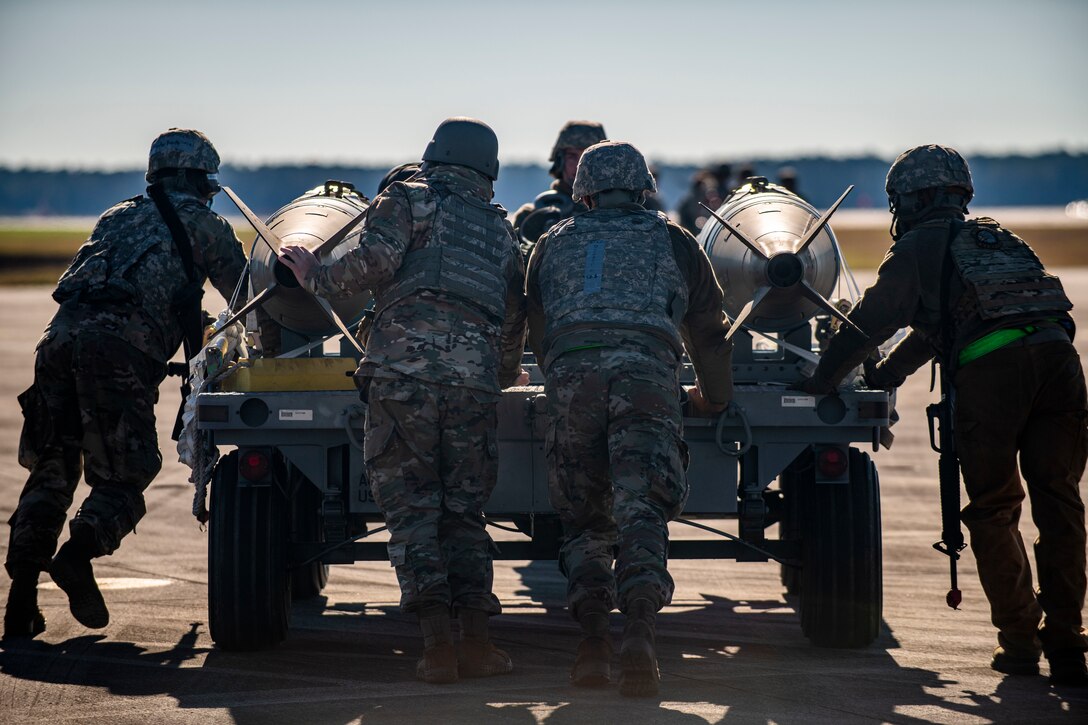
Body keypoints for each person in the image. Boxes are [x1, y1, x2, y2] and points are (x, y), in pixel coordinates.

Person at [794, 144, 1088, 686]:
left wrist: (821, 380)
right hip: (1061, 366)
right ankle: (1068, 642)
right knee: (1060, 502)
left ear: (915, 199)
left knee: (995, 508)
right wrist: (887, 376)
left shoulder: (919, 248)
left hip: (994, 378)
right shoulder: (1000, 240)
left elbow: (870, 323)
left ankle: (1021, 641)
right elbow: (939, 329)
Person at [280, 117, 527, 684]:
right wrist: (502, 372)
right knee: (465, 514)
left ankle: (437, 647)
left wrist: (315, 275)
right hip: (473, 386)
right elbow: (514, 315)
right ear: (487, 167)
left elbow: (373, 266)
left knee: (414, 513)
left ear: (435, 155)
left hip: (402, 380)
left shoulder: (408, 199)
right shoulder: (500, 230)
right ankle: (479, 645)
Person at [4, 128, 253, 638]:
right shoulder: (206, 227)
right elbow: (249, 302)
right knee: (128, 471)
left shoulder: (115, 216)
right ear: (199, 178)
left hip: (57, 344)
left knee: (52, 469)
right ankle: (78, 554)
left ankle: (19, 603)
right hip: (116, 353)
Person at [525, 141, 733, 696]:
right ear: (644, 187)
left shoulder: (551, 241)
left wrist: (562, 376)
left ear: (583, 190)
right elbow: (709, 330)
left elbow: (535, 327)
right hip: (648, 381)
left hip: (571, 384)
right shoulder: (674, 240)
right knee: (642, 511)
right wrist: (714, 397)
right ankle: (639, 633)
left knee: (584, 521)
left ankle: (592, 643)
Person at [511, 120, 607, 256]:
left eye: (588, 156)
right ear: (560, 160)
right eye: (572, 156)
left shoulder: (621, 213)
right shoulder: (532, 218)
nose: (580, 164)